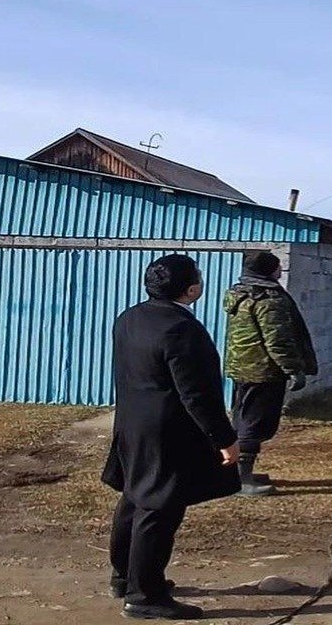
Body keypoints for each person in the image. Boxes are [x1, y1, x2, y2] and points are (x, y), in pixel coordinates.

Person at [103, 254, 240, 620]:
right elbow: (196, 393)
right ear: (192, 289)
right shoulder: (181, 329)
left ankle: (124, 576)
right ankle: (144, 595)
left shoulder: (130, 317)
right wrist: (223, 438)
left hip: (132, 423)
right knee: (159, 509)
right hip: (166, 430)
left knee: (135, 498)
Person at [221, 250, 318, 496]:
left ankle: (235, 473)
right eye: (278, 269)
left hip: (241, 367)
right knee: (254, 423)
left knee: (241, 419)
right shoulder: (268, 299)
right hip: (263, 371)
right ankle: (241, 480)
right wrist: (294, 369)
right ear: (270, 271)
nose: (280, 273)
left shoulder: (239, 293)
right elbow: (277, 340)